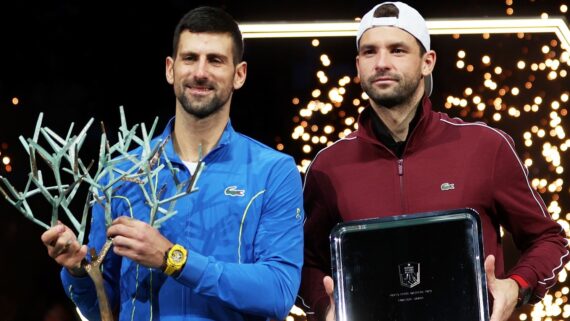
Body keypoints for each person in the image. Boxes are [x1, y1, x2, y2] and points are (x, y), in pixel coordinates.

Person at [298, 2, 569, 321]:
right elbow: (305, 262)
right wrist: (324, 305)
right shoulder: (328, 165)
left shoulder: (484, 145)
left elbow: (549, 239)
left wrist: (517, 286)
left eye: (397, 50)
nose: (381, 63)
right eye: (370, 52)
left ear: (427, 62)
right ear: (358, 66)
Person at [40, 6, 304, 321]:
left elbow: (278, 292)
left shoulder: (272, 171)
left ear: (239, 74)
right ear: (170, 69)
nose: (200, 72)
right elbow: (103, 309)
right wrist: (79, 271)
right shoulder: (120, 173)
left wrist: (173, 259)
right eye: (190, 58)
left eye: (215, 60)